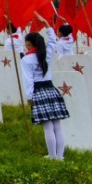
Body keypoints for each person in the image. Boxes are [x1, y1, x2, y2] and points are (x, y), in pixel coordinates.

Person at [22, 32, 69, 160]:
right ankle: (59, 157)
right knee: (57, 126)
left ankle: (52, 157)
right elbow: (53, 41)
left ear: (28, 43)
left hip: (38, 91)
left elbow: (28, 80)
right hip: (51, 90)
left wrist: (29, 97)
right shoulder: (47, 54)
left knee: (48, 127)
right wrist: (47, 27)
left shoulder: (26, 59)